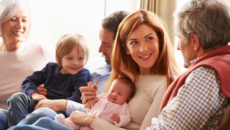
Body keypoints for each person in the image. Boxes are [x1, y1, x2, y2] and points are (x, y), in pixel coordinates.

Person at [8, 9, 181, 130]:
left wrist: (90, 120)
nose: (143, 49)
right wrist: (91, 103)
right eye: (134, 42)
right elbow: (101, 110)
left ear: (160, 39)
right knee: (41, 121)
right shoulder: (126, 76)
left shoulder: (164, 83)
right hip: (83, 124)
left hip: (90, 125)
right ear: (126, 48)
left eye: (149, 38)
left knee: (41, 121)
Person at [2, 10, 130, 130]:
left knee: (43, 115)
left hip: (62, 115)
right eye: (100, 42)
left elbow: (89, 107)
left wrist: (60, 103)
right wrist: (36, 93)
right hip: (41, 104)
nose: (100, 50)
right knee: (7, 108)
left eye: (106, 45)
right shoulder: (95, 64)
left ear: (123, 47)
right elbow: (31, 81)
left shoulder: (123, 82)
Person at [145, 0, 230, 129]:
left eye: (179, 38)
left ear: (195, 42)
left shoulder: (205, 75)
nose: (178, 47)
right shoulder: (225, 64)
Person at [6, 33, 91, 127]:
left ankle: (17, 128)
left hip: (57, 112)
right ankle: (17, 126)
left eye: (81, 58)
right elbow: (29, 81)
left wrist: (53, 104)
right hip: (39, 104)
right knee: (16, 97)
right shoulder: (51, 68)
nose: (76, 62)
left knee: (43, 111)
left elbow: (77, 99)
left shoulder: (83, 74)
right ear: (59, 58)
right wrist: (35, 95)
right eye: (70, 58)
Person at [0, 0, 55, 129]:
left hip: (32, 116)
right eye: (13, 19)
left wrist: (50, 88)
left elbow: (72, 71)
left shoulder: (43, 51)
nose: (20, 26)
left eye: (24, 20)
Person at [55, 77, 135, 130]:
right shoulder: (104, 97)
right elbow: (94, 102)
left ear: (127, 99)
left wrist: (119, 119)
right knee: (73, 120)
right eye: (112, 91)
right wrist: (92, 92)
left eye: (120, 94)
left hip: (96, 127)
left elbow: (126, 119)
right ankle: (63, 123)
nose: (114, 94)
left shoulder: (122, 107)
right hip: (87, 118)